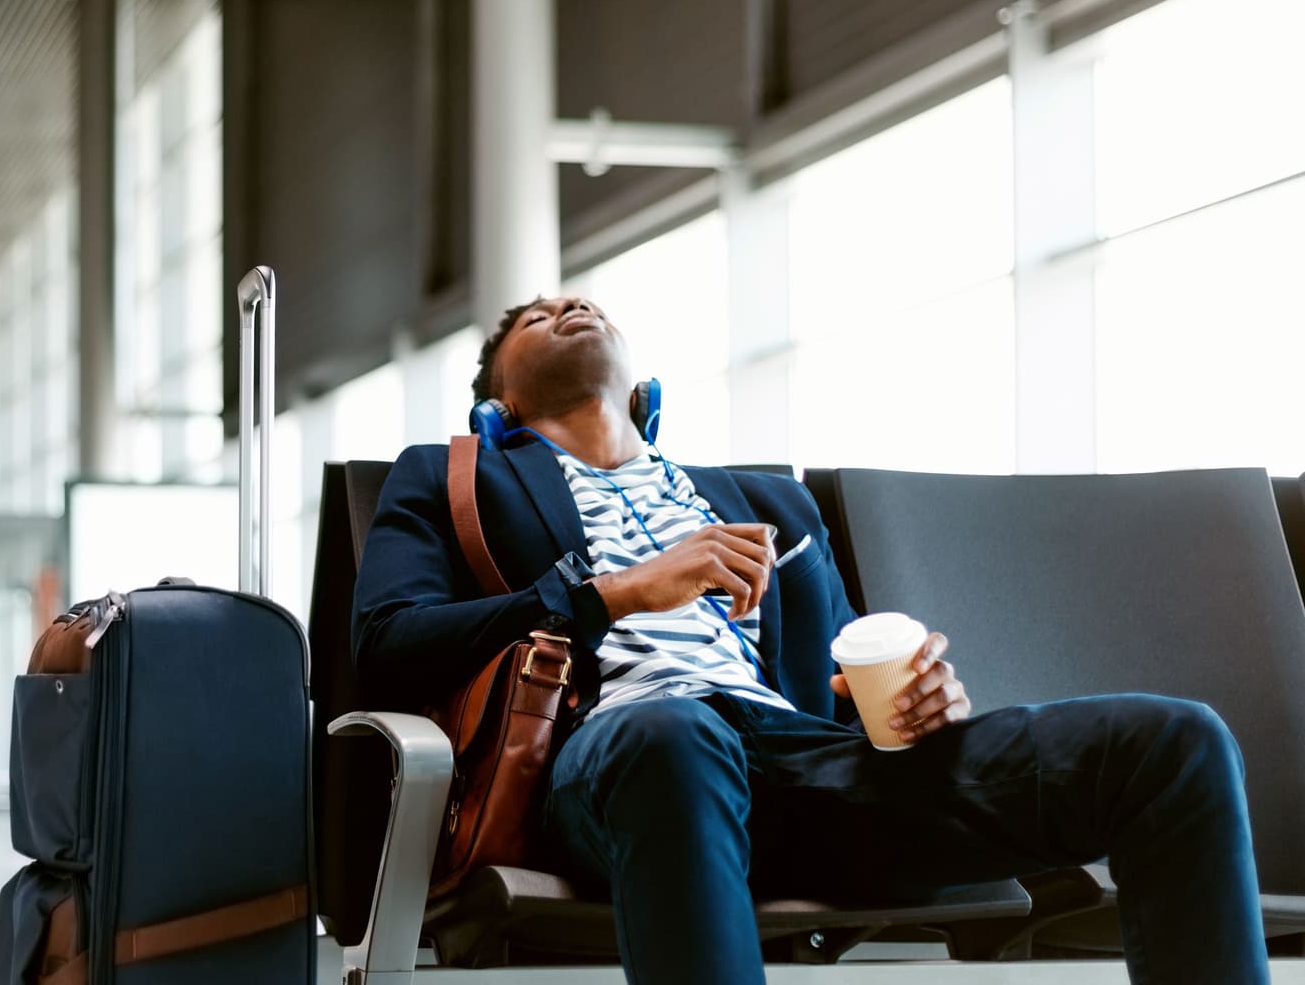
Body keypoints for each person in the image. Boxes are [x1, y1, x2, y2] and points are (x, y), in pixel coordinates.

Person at [352, 295, 1267, 984]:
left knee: (1172, 743)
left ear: (643, 388)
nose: (569, 307)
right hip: (621, 762)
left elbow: (839, 677)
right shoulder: (450, 477)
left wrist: (916, 705)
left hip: (808, 768)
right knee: (676, 733)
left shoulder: (768, 503)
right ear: (498, 407)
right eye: (536, 317)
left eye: (582, 303)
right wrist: (611, 594)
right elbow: (388, 645)